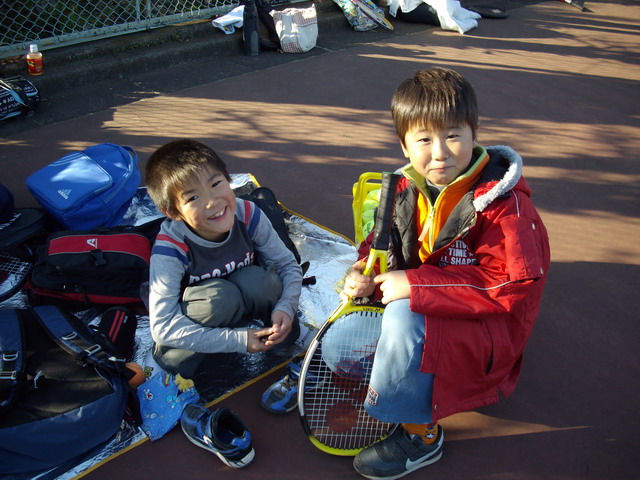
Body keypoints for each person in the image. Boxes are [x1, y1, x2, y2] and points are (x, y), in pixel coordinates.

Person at [343, 67, 550, 479]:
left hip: (485, 334)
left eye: (453, 135)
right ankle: (400, 373)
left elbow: (512, 284)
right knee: (340, 352)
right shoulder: (404, 188)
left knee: (402, 317)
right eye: (424, 139)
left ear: (474, 134)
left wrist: (413, 284)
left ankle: (421, 436)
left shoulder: (504, 205)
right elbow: (379, 245)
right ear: (404, 145)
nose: (439, 152)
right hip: (438, 306)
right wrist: (363, 271)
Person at [144, 139, 303, 384]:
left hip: (241, 298)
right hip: (207, 310)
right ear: (173, 213)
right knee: (218, 299)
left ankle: (280, 336)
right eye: (192, 197)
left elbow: (287, 265)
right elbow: (163, 327)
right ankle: (175, 362)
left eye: (216, 184)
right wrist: (237, 340)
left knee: (260, 282)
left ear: (228, 179)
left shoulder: (247, 214)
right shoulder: (171, 249)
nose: (212, 202)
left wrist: (286, 307)